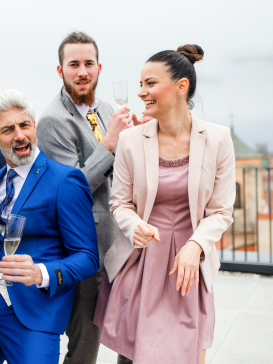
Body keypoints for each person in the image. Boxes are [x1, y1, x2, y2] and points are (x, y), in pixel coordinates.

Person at [94, 45, 236, 364]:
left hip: (189, 267)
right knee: (137, 355)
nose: (141, 92)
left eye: (150, 83)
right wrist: (134, 226)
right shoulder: (131, 140)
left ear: (181, 87)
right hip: (142, 261)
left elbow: (221, 211)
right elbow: (120, 203)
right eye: (141, 84)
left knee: (186, 353)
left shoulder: (218, 139)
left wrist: (196, 245)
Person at [0, 90, 100, 364]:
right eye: (8, 129)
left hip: (35, 316)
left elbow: (88, 258)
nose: (20, 135)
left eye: (25, 125)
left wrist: (40, 273)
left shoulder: (66, 180)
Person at [36, 31, 138, 364]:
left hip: (122, 241)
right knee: (85, 344)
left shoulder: (107, 108)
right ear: (60, 70)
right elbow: (70, 190)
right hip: (86, 246)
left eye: (88, 64)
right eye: (74, 64)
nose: (82, 71)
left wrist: (139, 136)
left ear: (99, 67)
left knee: (132, 333)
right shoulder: (52, 121)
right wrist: (108, 144)